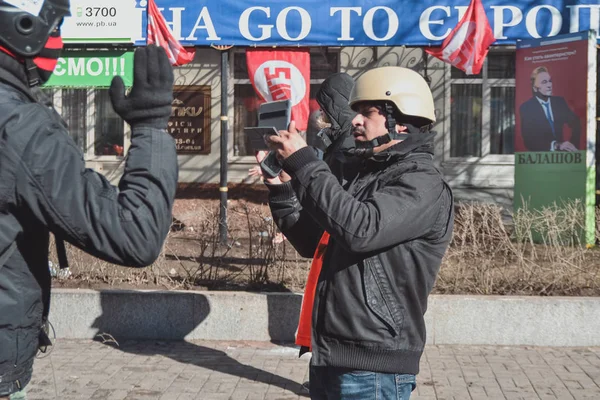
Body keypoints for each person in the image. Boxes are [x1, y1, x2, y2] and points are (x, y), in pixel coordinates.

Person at [0, 1, 178, 398]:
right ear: (23, 27)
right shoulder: (18, 126)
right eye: (56, 27)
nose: (60, 43)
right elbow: (135, 235)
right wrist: (150, 126)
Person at [263, 66, 454, 400]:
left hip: (374, 369)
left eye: (368, 113)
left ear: (402, 120)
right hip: (332, 355)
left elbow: (361, 229)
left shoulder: (422, 182)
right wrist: (284, 191)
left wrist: (307, 162)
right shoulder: (363, 176)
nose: (355, 121)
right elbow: (312, 241)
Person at [519, 66, 581, 152]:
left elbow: (576, 122)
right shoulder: (526, 108)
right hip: (541, 158)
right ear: (535, 88)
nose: (549, 85)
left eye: (550, 81)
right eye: (544, 82)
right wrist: (556, 145)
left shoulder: (559, 102)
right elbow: (529, 140)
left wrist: (573, 144)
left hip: (562, 157)